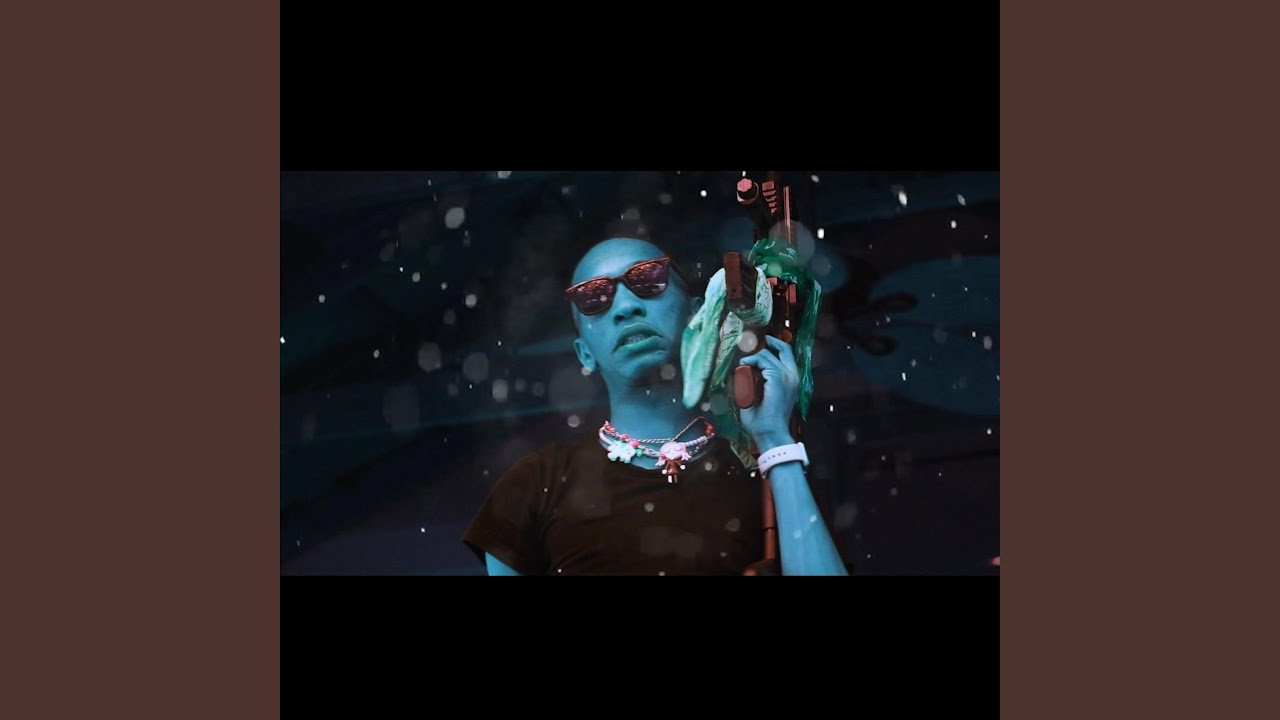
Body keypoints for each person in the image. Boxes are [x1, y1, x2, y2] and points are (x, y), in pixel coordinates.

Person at [462, 236, 848, 575]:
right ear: (584, 353)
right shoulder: (534, 485)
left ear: (698, 314)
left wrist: (774, 440)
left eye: (648, 279)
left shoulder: (763, 469)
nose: (625, 307)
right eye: (594, 297)